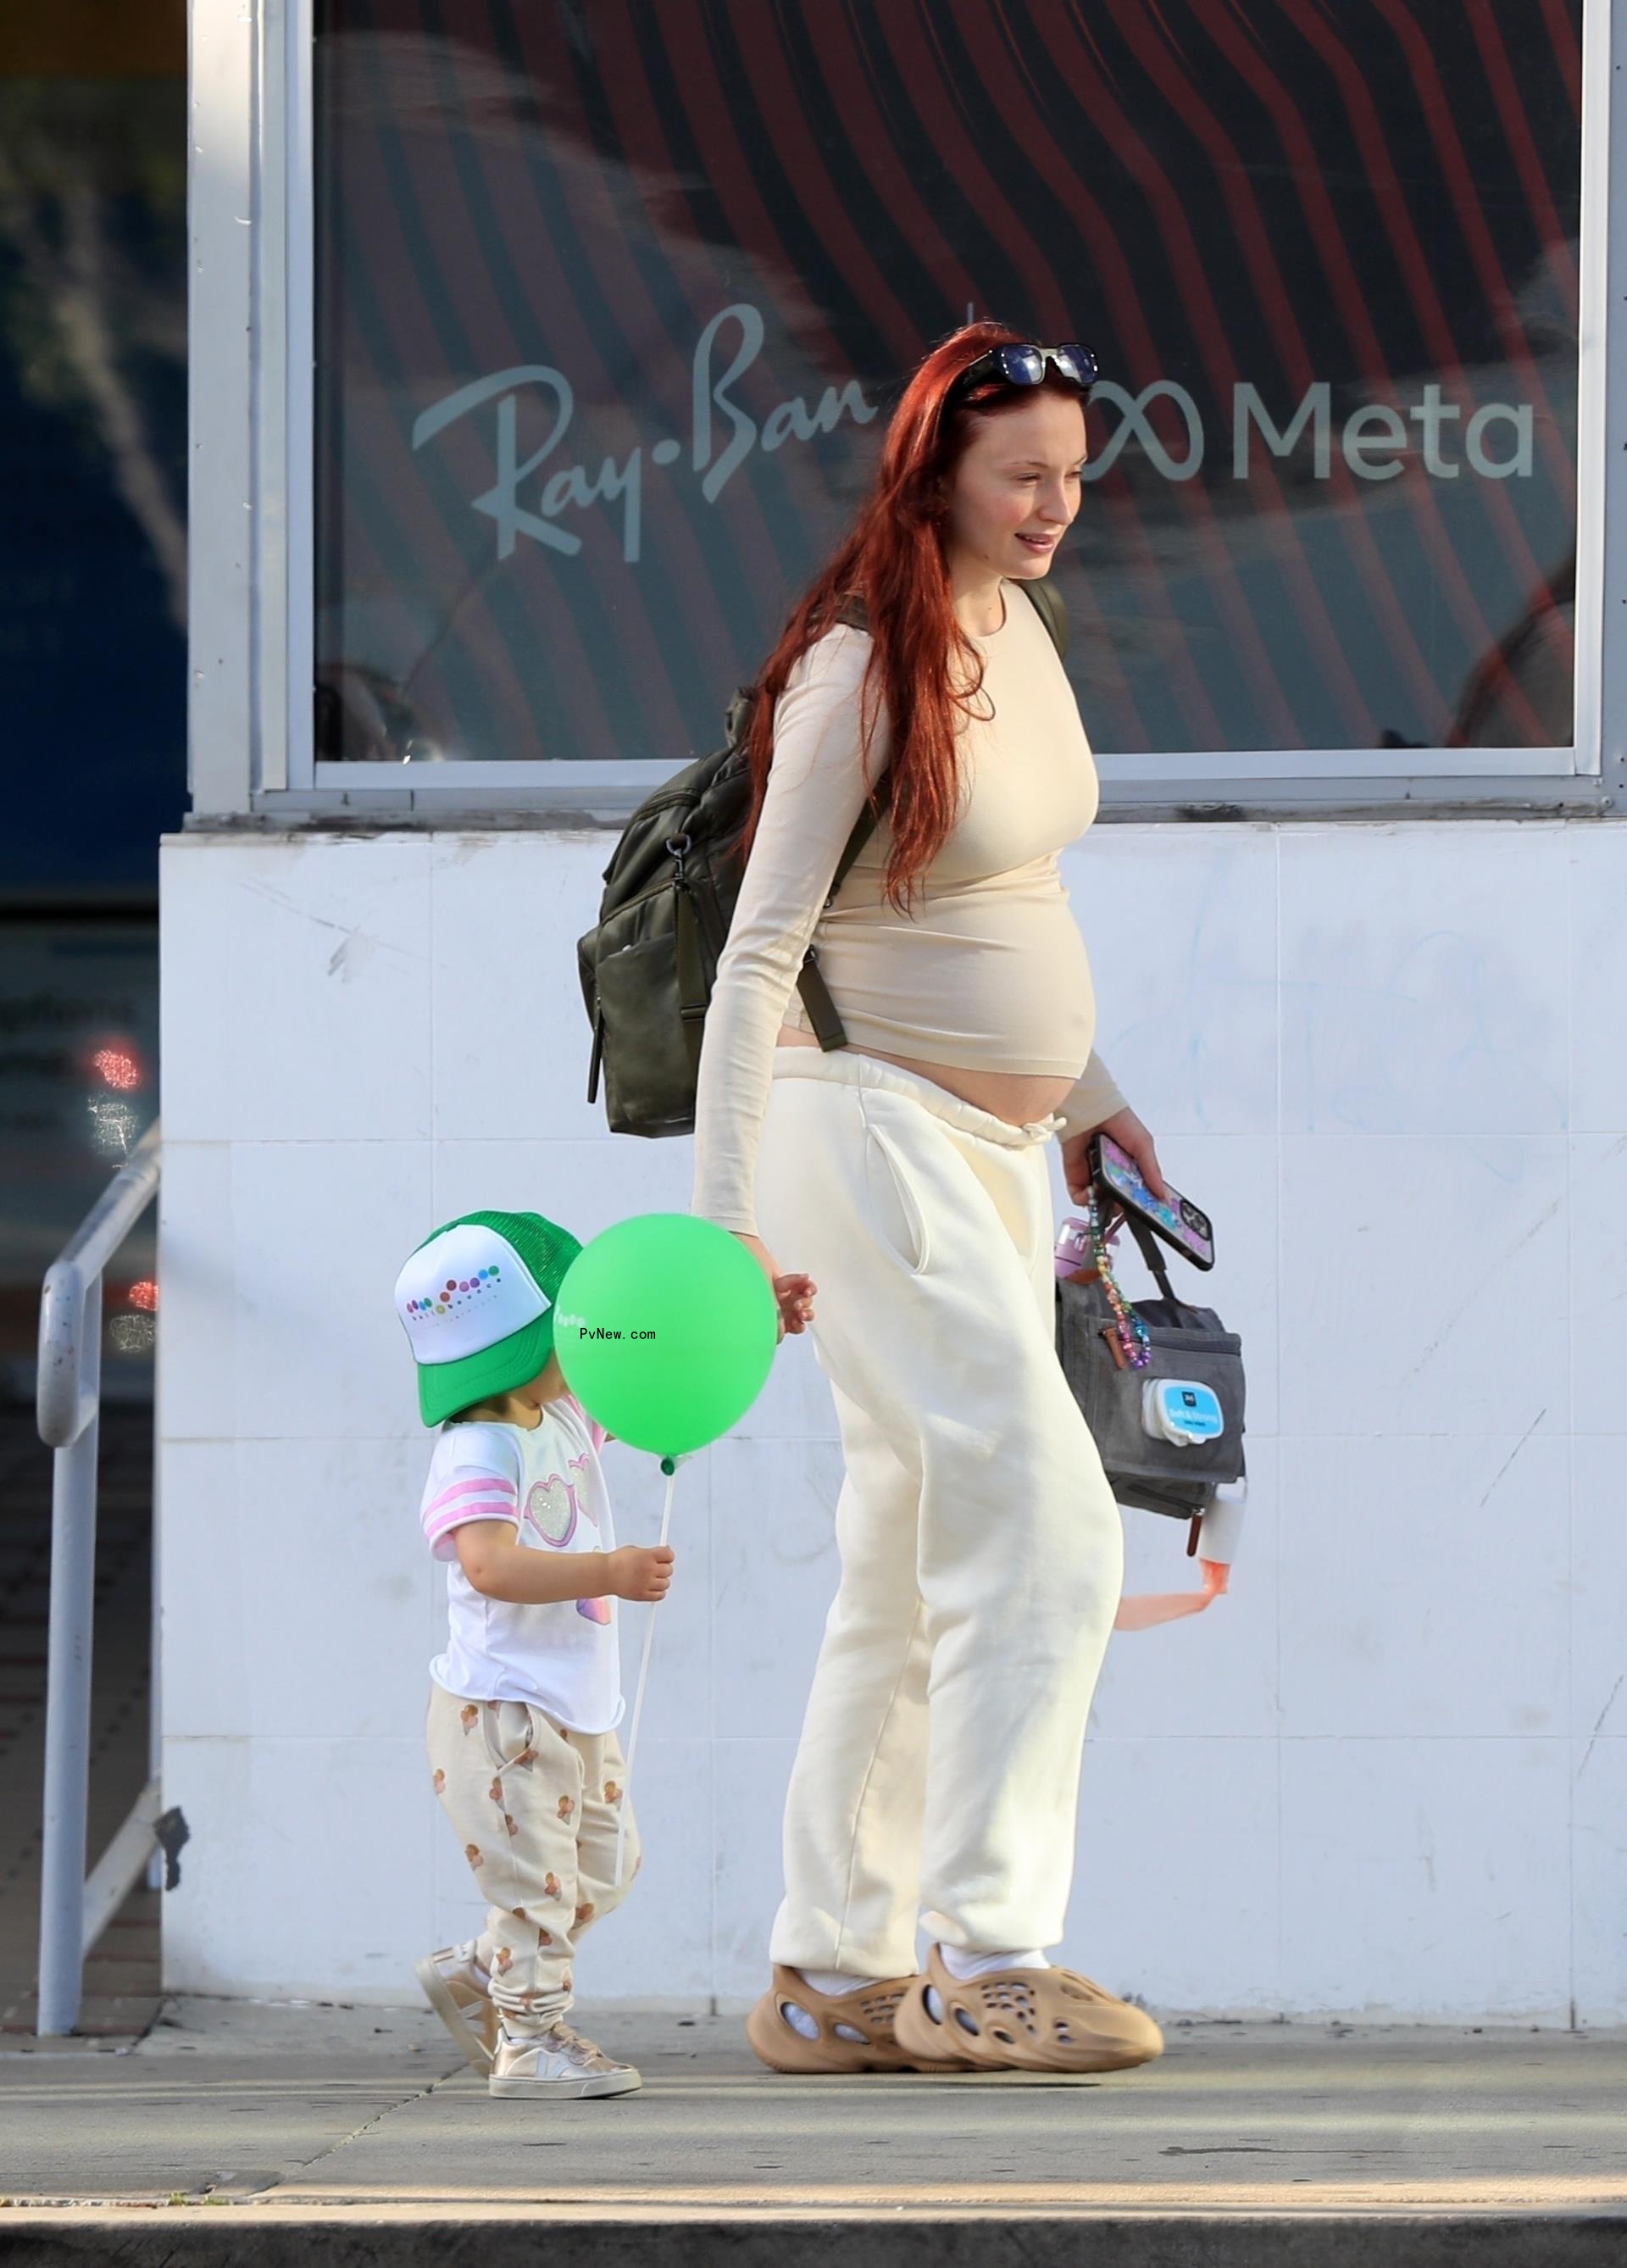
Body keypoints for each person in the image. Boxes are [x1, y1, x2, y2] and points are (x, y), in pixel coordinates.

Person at [691, 326, 1170, 2077]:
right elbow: (758, 954)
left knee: (907, 1556)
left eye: (1073, 473)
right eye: (1022, 474)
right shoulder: (859, 666)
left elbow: (1008, 893)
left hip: (985, 1150)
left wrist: (1091, 1102)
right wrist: (724, 1223)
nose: (1056, 504)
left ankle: (831, 1971)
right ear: (935, 474)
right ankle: (989, 1954)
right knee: (1048, 1527)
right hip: (865, 1134)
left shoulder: (1013, 629)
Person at [392, 1209, 675, 2100]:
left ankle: (482, 1969)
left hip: (575, 1705)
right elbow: (488, 1564)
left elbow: (637, 1366)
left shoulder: (559, 1415)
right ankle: (529, 2040)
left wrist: (753, 1319)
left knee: (607, 1870)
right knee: (537, 1895)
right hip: (505, 1716)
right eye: (570, 1326)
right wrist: (608, 1571)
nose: (587, 1340)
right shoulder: (478, 1446)